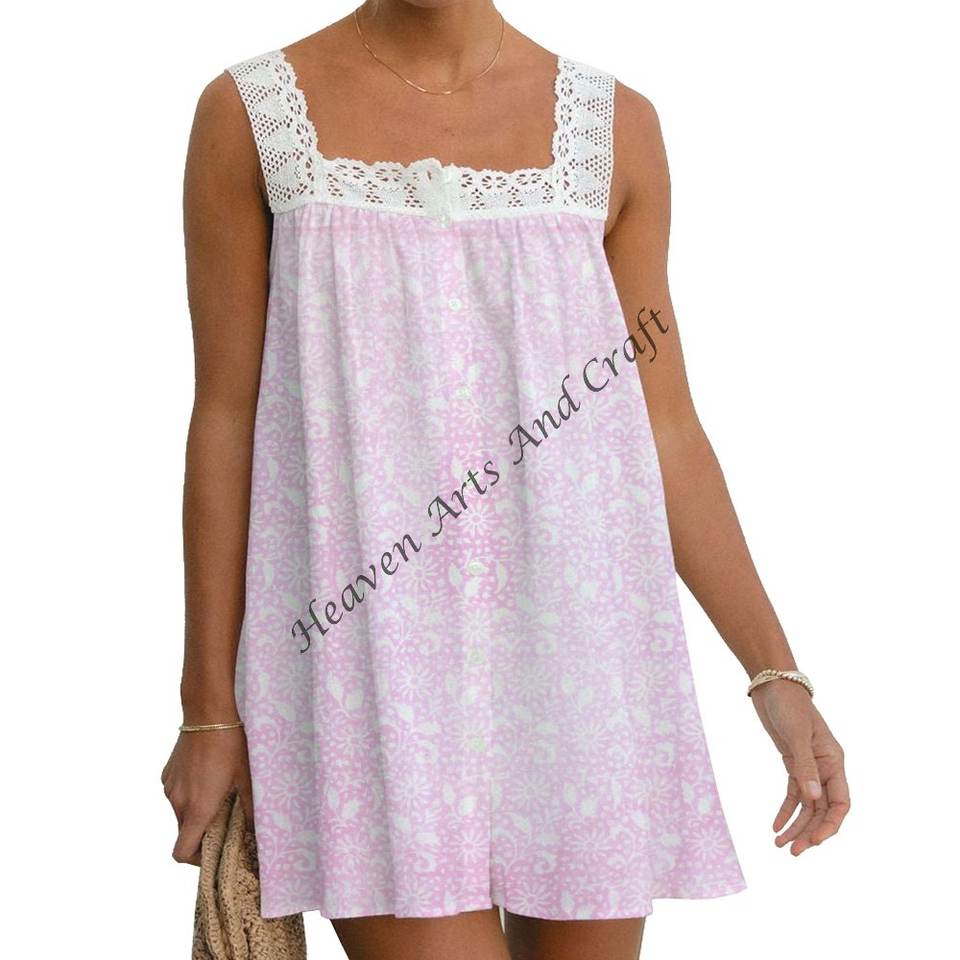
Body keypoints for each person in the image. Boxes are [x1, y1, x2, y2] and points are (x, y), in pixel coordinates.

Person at [160, 2, 851, 958]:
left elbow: (664, 425)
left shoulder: (614, 127)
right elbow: (226, 420)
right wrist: (207, 709)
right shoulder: (251, 114)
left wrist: (774, 673)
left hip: (580, 660)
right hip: (367, 664)